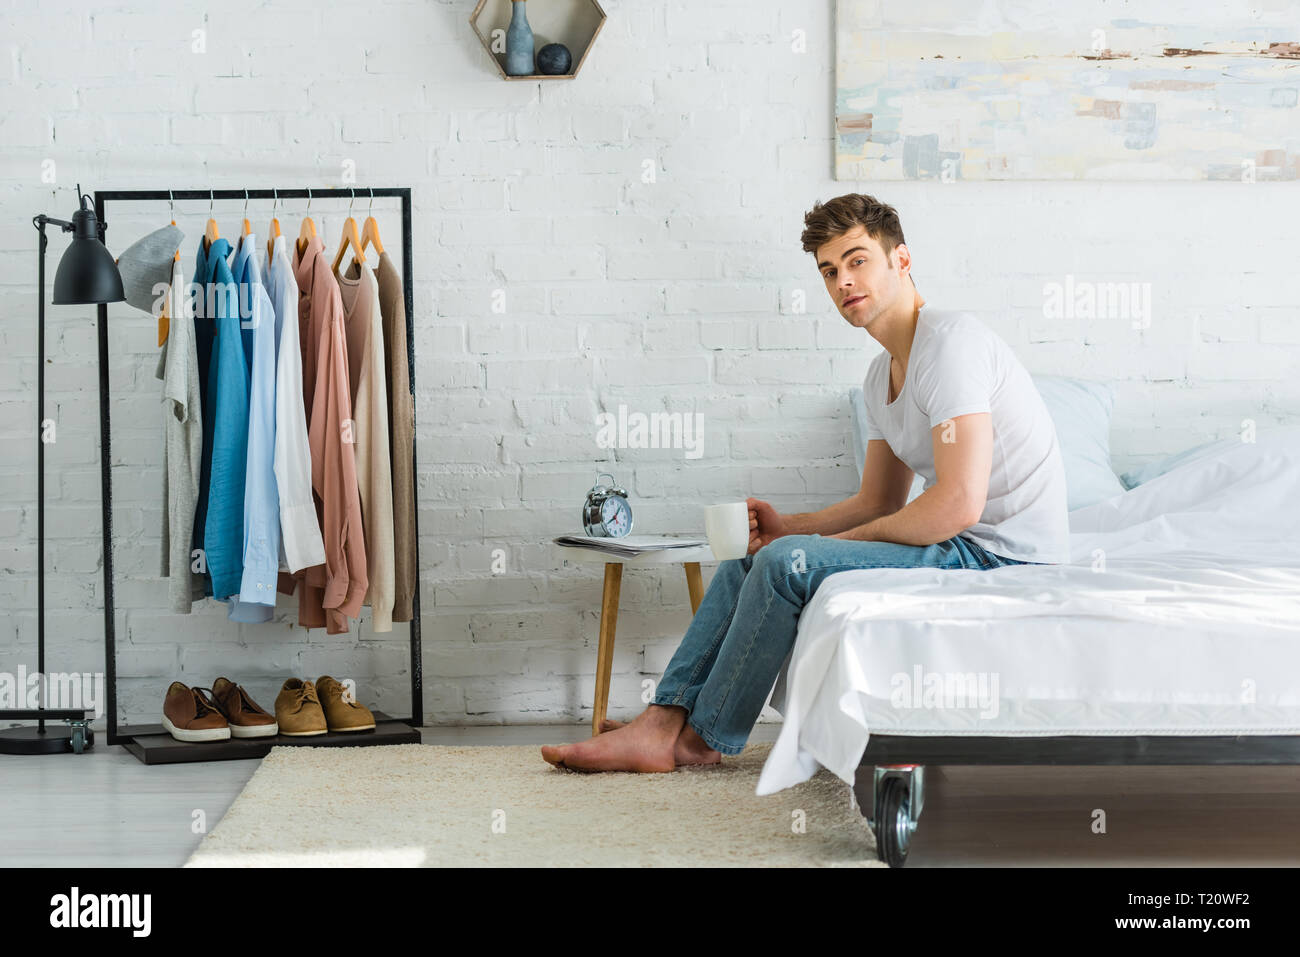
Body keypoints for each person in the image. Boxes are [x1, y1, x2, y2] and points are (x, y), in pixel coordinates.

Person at [541, 193, 1070, 773]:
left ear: (901, 259)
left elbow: (959, 504)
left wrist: (813, 549)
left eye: (857, 260)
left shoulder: (949, 345)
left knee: (784, 564)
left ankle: (702, 740)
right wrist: (787, 529)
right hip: (961, 545)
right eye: (828, 270)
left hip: (1003, 558)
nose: (843, 280)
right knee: (754, 555)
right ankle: (663, 720)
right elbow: (878, 501)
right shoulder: (878, 378)